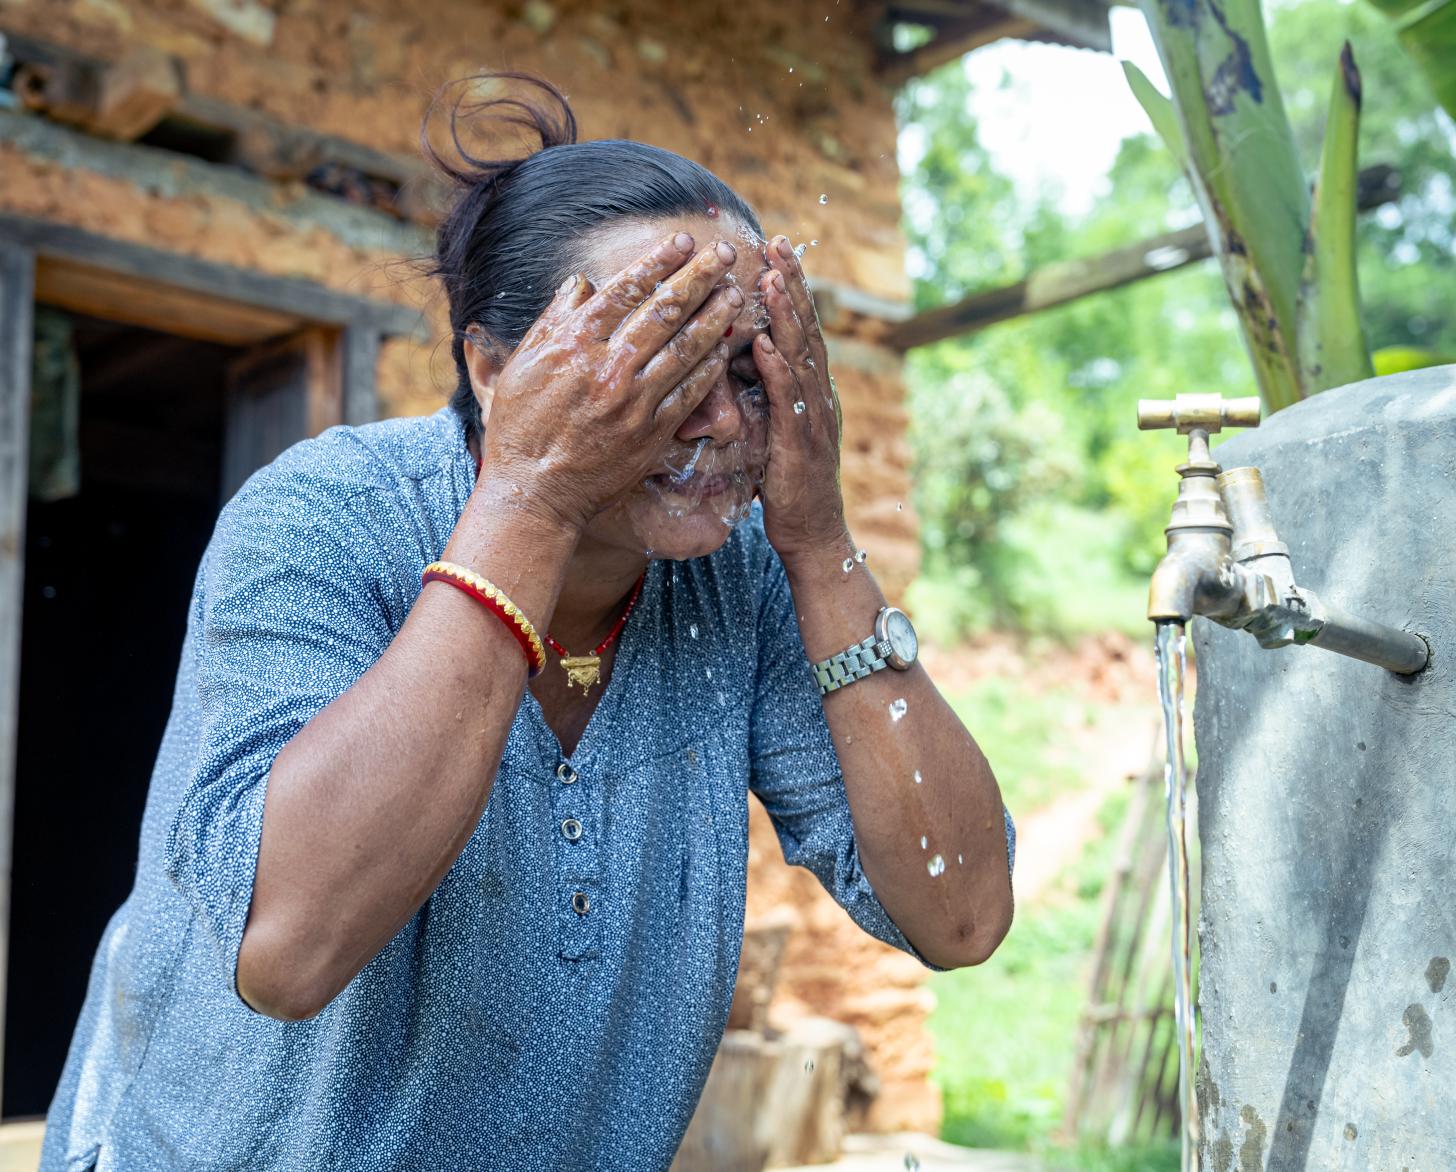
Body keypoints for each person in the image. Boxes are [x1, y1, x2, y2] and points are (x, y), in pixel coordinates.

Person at [40, 76, 1014, 1171]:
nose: (724, 418)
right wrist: (533, 496)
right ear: (492, 367)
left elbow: (958, 912)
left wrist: (821, 538)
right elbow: (291, 949)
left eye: (748, 365)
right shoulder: (325, 515)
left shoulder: (742, 578)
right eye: (658, 355)